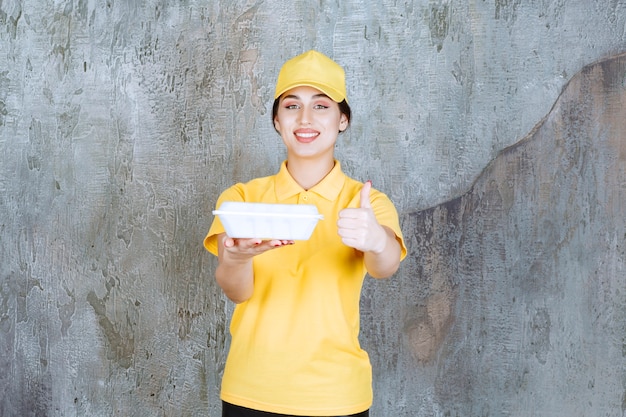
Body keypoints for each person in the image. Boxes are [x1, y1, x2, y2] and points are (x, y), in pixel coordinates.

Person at [204, 50, 407, 417]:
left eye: (322, 105)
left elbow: (386, 266)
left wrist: (376, 240)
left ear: (343, 119)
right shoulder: (241, 200)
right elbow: (237, 291)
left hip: (337, 395)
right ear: (277, 121)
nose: (306, 118)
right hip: (252, 391)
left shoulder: (366, 202)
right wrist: (236, 258)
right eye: (292, 106)